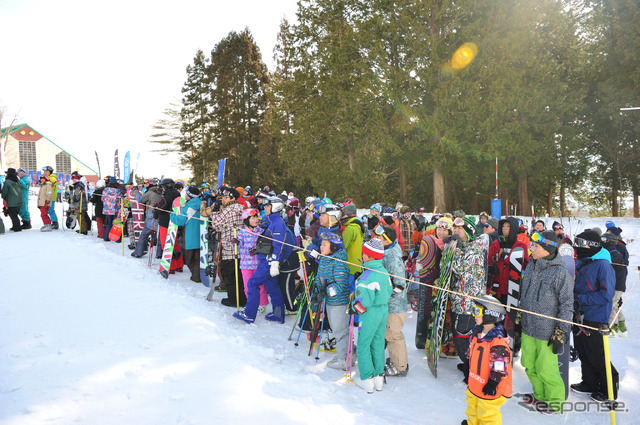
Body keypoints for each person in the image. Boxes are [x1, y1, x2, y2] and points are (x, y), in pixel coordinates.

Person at [519, 230, 573, 414]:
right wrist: (519, 315)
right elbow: (524, 293)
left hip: (546, 330)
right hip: (528, 326)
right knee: (529, 363)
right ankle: (540, 395)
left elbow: (567, 304)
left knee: (546, 369)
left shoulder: (560, 273)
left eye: (535, 246)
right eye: (532, 245)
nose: (531, 249)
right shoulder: (532, 266)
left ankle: (555, 402)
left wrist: (561, 330)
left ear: (547, 249)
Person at [571, 230, 619, 404]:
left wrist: (580, 299)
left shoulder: (603, 265)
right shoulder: (583, 261)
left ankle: (609, 390)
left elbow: (607, 295)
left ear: (591, 244)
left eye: (581, 242)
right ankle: (589, 382)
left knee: (597, 354)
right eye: (577, 241)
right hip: (579, 315)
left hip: (595, 316)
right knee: (583, 351)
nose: (578, 245)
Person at [233, 196, 287, 323]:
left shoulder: (277, 223)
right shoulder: (272, 221)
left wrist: (274, 261)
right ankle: (278, 314)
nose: (265, 208)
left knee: (252, 284)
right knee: (272, 287)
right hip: (266, 260)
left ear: (274, 207)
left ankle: (249, 314)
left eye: (268, 206)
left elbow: (279, 245)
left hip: (268, 262)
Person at [450, 216, 491, 380]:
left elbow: (459, 267)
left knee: (463, 337)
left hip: (468, 304)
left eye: (460, 229)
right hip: (460, 301)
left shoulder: (474, 248)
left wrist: (454, 248)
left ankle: (473, 369)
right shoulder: (467, 246)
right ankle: (469, 364)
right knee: (461, 335)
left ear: (468, 231)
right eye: (455, 228)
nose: (456, 231)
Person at [350, 238, 392, 393]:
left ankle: (367, 379)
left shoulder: (367, 276)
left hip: (370, 313)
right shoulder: (384, 271)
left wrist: (354, 308)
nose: (362, 256)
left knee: (363, 344)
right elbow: (389, 291)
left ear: (368, 256)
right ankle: (378, 378)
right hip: (383, 310)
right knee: (377, 343)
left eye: (363, 254)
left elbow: (363, 302)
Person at [462, 295, 512, 425]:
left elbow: (500, 367)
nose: (474, 315)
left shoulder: (497, 342)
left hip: (488, 386)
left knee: (488, 413)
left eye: (477, 311)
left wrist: (493, 383)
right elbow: (471, 351)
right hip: (475, 382)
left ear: (490, 315)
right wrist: (467, 366)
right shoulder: (477, 333)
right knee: (472, 407)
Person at [373, 225, 409, 377]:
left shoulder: (392, 257)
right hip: (386, 304)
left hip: (394, 306)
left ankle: (400, 366)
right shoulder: (384, 253)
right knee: (388, 333)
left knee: (393, 335)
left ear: (386, 241)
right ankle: (396, 360)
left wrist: (386, 297)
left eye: (378, 237)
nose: (374, 239)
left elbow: (400, 284)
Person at [312, 232, 351, 370]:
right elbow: (320, 278)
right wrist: (316, 289)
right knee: (336, 329)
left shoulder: (338, 263)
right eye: (321, 244)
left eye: (324, 244)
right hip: (329, 301)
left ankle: (344, 359)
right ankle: (348, 353)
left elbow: (341, 286)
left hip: (338, 302)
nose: (321, 247)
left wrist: (326, 291)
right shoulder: (324, 259)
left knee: (340, 331)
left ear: (334, 247)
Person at [202, 185, 244, 306]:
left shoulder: (229, 209)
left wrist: (214, 212)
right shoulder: (241, 207)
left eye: (225, 197)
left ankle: (233, 299)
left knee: (229, 275)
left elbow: (217, 225)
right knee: (239, 276)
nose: (223, 199)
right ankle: (241, 298)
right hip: (239, 247)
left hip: (229, 247)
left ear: (231, 198)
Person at [487, 217, 530, 303]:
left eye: (508, 226)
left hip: (513, 287)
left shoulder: (521, 246)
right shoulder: (496, 244)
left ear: (513, 228)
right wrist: (491, 268)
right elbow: (489, 261)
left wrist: (506, 257)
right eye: (503, 226)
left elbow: (524, 265)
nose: (505, 228)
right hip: (496, 286)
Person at [236, 208, 269, 313]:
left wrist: (257, 250)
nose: (256, 220)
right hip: (246, 264)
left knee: (260, 285)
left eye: (256, 217)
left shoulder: (261, 231)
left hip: (258, 264)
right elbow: (238, 248)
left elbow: (265, 245)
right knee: (247, 286)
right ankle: (251, 304)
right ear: (246, 220)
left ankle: (262, 304)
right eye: (253, 218)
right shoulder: (242, 233)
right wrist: (236, 243)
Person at [169, 186, 202, 283]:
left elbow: (181, 221)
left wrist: (172, 215)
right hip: (200, 236)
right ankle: (197, 276)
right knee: (197, 258)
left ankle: (196, 276)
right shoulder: (201, 204)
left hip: (190, 236)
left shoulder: (189, 207)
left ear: (189, 196)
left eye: (187, 194)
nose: (185, 195)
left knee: (189, 259)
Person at [153, 178, 184, 273]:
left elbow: (161, 208)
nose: (162, 188)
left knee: (166, 244)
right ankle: (179, 265)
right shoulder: (177, 195)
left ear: (166, 187)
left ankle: (171, 266)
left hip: (165, 223)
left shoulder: (167, 197)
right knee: (174, 244)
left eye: (163, 186)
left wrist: (155, 209)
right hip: (174, 222)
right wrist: (158, 205)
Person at [601, 233, 627, 338]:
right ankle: (622, 326)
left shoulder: (614, 253)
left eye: (604, 240)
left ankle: (613, 327)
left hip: (616, 285)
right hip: (616, 284)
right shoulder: (610, 252)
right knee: (615, 305)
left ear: (610, 241)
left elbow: (614, 270)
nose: (602, 242)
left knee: (611, 305)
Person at [131, 178, 163, 257]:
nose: (145, 185)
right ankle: (159, 254)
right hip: (160, 214)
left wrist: (135, 192)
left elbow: (140, 200)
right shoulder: (161, 192)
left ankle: (138, 252)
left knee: (144, 235)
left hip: (151, 214)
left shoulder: (150, 192)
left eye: (147, 184)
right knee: (159, 235)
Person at [102, 177, 122, 242]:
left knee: (108, 224)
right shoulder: (117, 191)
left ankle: (106, 238)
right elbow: (119, 201)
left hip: (107, 210)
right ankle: (117, 239)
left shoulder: (105, 190)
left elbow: (102, 199)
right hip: (115, 210)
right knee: (116, 224)